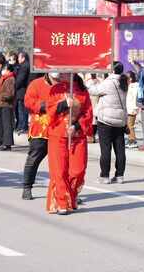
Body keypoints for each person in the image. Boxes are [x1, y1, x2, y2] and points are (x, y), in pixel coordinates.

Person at [46, 73, 93, 215]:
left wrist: (76, 127)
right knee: (59, 171)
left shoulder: (83, 92)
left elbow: (88, 114)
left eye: (65, 72)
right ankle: (61, 202)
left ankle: (70, 197)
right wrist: (64, 104)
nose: (61, 74)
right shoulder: (55, 90)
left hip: (77, 137)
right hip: (58, 135)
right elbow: (50, 111)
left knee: (78, 170)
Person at [88, 62, 128, 184]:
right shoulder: (124, 82)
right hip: (120, 120)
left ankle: (104, 176)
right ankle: (120, 176)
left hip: (106, 120)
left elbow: (93, 91)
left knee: (106, 149)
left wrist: (88, 83)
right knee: (120, 149)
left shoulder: (108, 82)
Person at [21, 73, 54, 200]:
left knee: (62, 162)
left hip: (59, 129)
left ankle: (67, 191)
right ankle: (27, 187)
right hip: (40, 129)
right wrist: (46, 105)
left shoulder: (65, 84)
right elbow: (28, 101)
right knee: (33, 159)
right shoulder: (36, 84)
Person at [0, 59, 15, 151]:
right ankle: (2, 142)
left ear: (8, 70)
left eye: (5, 69)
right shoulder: (4, 78)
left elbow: (10, 93)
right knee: (2, 124)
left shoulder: (10, 79)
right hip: (1, 104)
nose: (3, 70)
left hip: (6, 104)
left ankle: (7, 144)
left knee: (7, 125)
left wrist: (2, 97)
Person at [15, 51, 31, 134]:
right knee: (22, 109)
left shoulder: (24, 66)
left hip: (22, 90)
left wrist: (14, 86)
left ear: (23, 58)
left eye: (19, 57)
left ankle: (23, 126)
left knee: (22, 110)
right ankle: (22, 126)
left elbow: (20, 79)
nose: (18, 59)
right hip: (23, 90)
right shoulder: (26, 65)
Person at [86, 73, 100, 143]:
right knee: (90, 119)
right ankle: (90, 136)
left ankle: (93, 136)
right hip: (90, 101)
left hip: (96, 101)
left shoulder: (99, 81)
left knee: (95, 120)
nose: (93, 75)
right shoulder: (88, 82)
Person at [126, 71, 139, 149]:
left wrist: (135, 108)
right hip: (129, 108)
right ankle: (130, 140)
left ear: (130, 78)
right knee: (129, 125)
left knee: (130, 125)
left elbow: (135, 98)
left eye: (127, 77)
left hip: (132, 108)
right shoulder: (130, 85)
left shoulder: (134, 86)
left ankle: (133, 140)